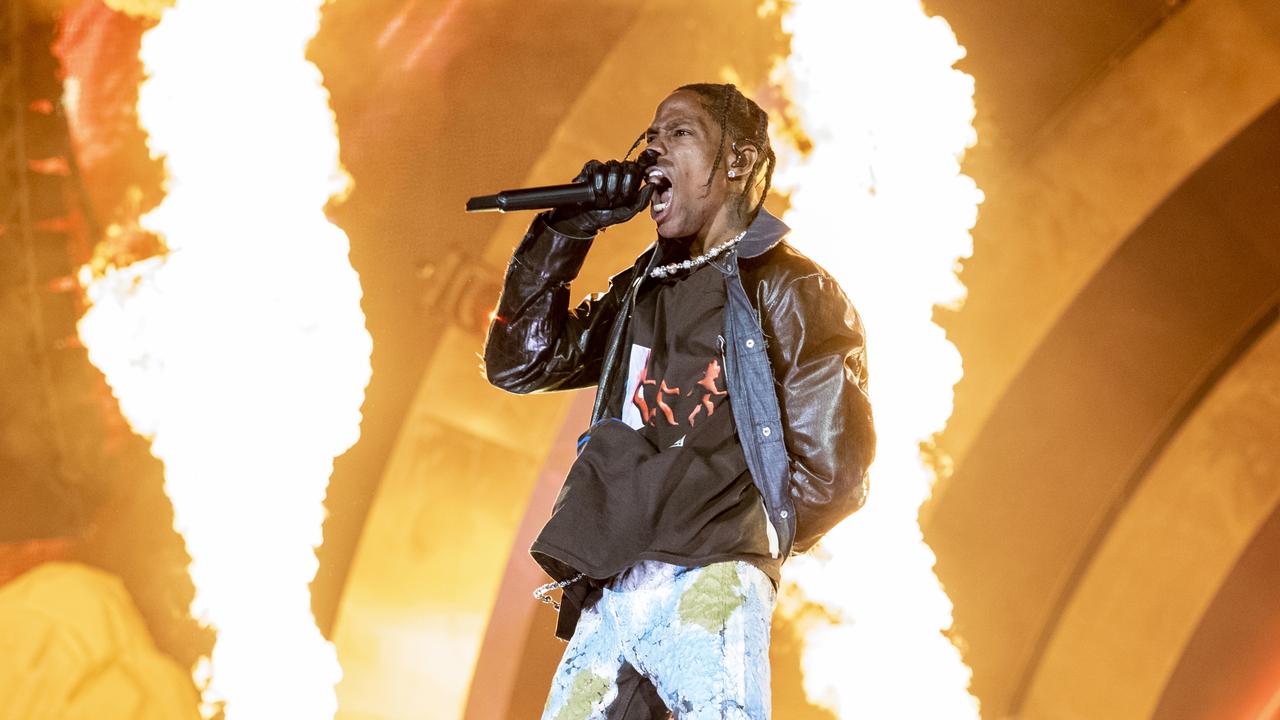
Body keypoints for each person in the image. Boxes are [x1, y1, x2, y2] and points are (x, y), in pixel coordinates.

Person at [484, 83, 875, 719]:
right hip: (612, 585)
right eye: (651, 132)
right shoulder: (642, 289)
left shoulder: (788, 286)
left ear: (739, 163)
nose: (652, 146)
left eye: (679, 132)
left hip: (710, 580)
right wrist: (567, 227)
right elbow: (522, 361)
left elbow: (834, 470)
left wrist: (734, 537)